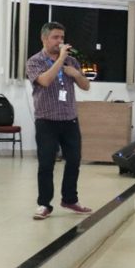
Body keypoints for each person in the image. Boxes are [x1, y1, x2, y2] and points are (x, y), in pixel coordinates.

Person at [26, 22, 93, 220]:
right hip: (46, 121)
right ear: (44, 39)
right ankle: (44, 204)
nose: (60, 41)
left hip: (70, 119)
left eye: (62, 37)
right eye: (55, 37)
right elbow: (45, 81)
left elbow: (86, 86)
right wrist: (61, 59)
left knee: (74, 160)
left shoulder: (72, 61)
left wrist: (76, 74)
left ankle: (70, 199)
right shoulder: (35, 61)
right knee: (46, 164)